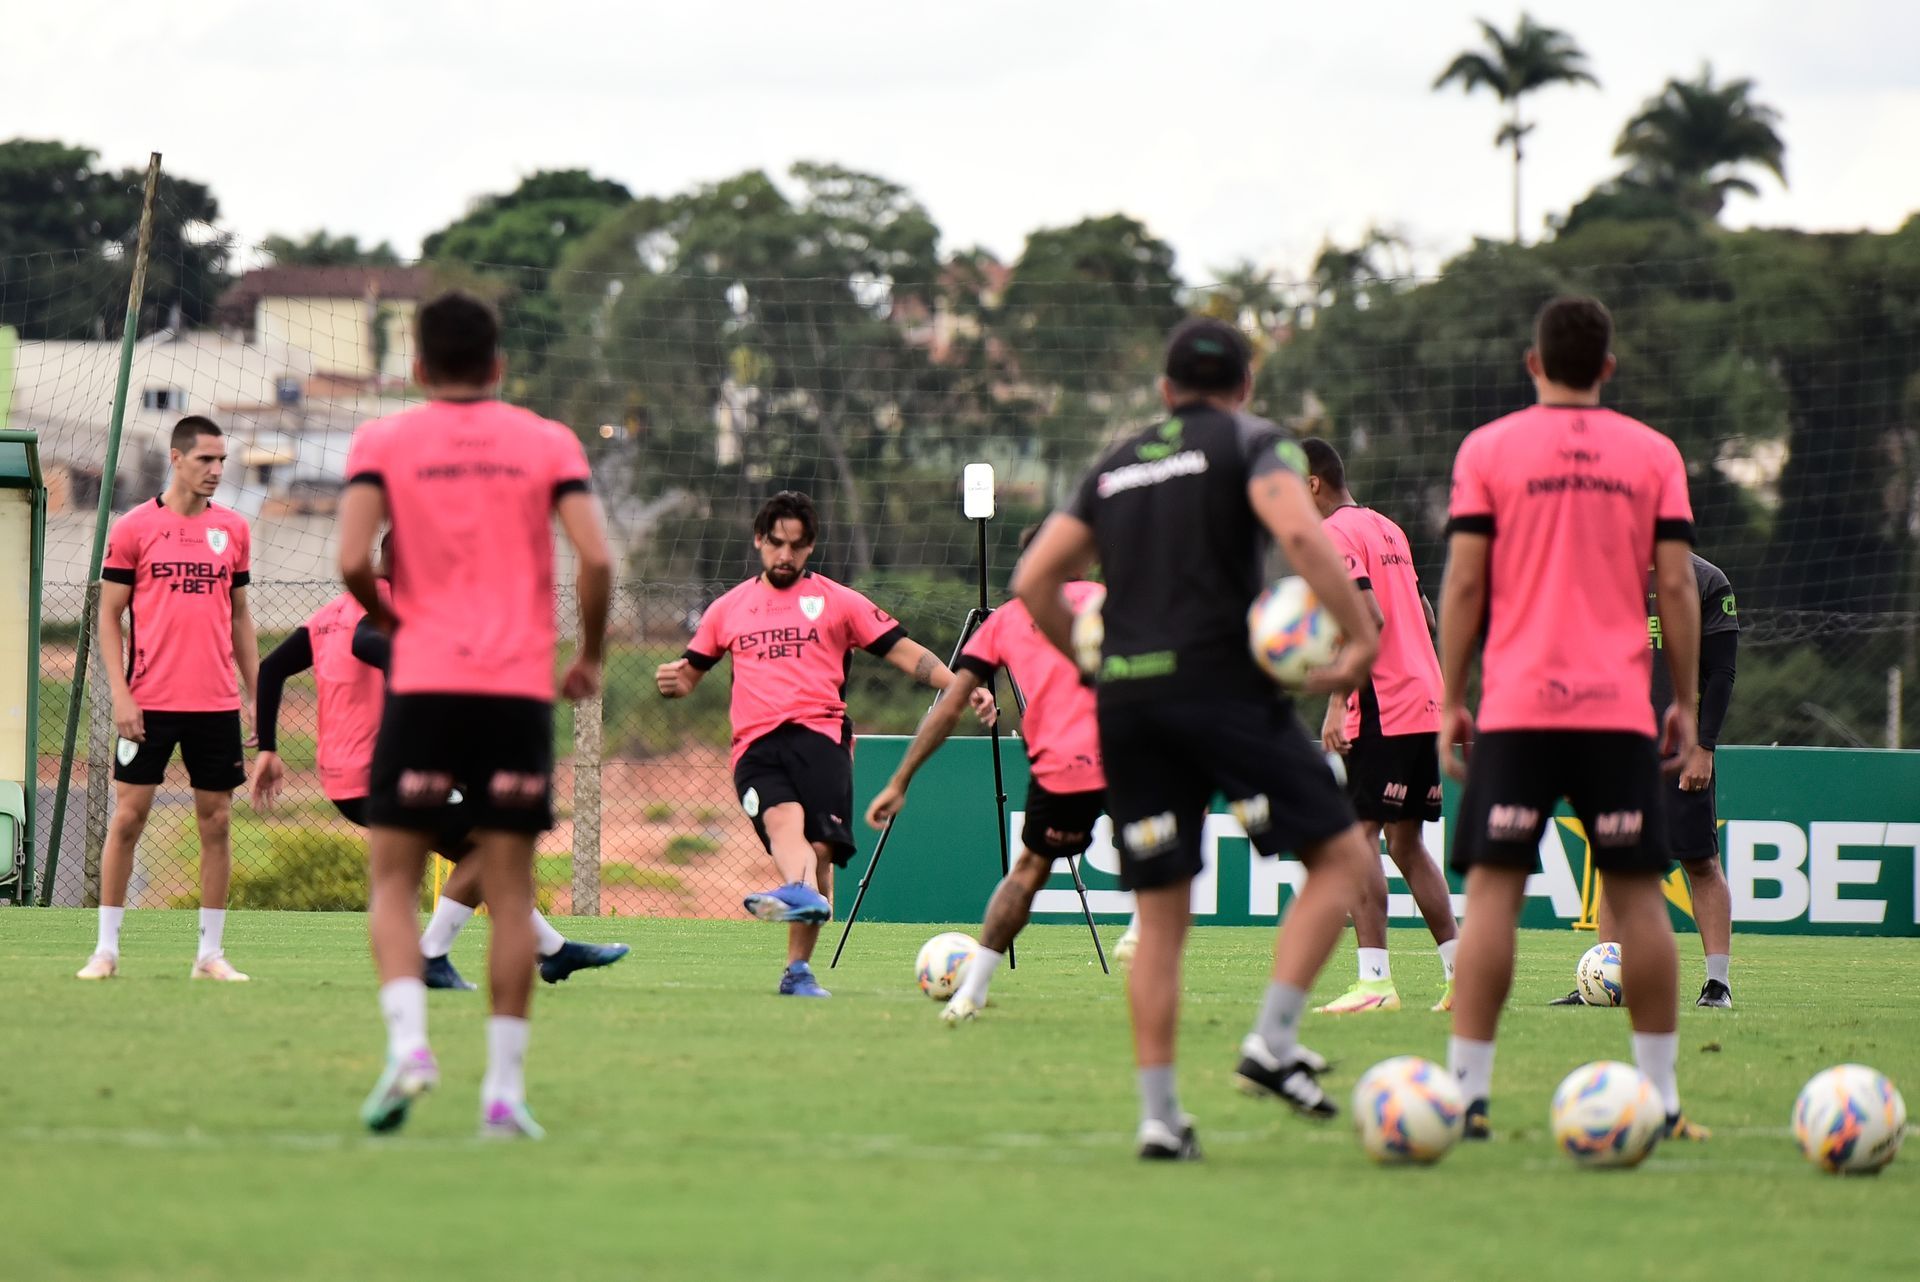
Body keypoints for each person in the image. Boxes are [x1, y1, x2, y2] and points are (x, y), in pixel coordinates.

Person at [1014, 317, 1380, 1161]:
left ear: (1166, 391)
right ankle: (1272, 1043)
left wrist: (1086, 664)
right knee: (1342, 858)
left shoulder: (1117, 463)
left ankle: (1159, 1117)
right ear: (1245, 385)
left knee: (1162, 915)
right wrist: (1357, 633)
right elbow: (1298, 533)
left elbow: (1034, 580)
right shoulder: (1257, 443)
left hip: (1131, 704)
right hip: (1224, 685)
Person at [337, 290, 613, 1139]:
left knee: (391, 876)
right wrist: (591, 655)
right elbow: (597, 557)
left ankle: (410, 1046)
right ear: (498, 366)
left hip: (424, 684)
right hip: (516, 689)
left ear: (417, 365)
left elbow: (352, 557)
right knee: (511, 884)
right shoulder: (547, 441)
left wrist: (390, 620)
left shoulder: (383, 440)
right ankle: (501, 1093)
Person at [1438, 295, 1708, 1143]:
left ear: (1533, 363)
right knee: (1639, 903)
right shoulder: (1653, 454)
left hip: (1517, 710)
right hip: (1618, 713)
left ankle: (1467, 1099)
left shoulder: (1489, 450)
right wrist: (1688, 706)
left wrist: (1451, 695)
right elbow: (1676, 586)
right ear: (1609, 369)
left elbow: (1467, 583)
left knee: (1492, 900)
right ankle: (1660, 1101)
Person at [655, 490, 993, 999]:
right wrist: (674, 682)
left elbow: (904, 652)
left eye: (795, 545)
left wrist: (961, 686)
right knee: (783, 823)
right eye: (775, 544)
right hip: (755, 745)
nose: (784, 555)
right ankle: (802, 900)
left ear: (810, 547)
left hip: (822, 738)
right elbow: (690, 676)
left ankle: (800, 944)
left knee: (820, 851)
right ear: (759, 541)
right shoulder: (728, 609)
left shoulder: (838, 601)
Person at [251, 583, 628, 991]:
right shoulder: (397, 605)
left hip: (345, 781)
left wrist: (269, 748)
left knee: (487, 860)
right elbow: (369, 642)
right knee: (495, 843)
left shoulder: (329, 615)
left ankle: (554, 951)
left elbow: (271, 668)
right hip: (387, 776)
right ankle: (431, 956)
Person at [864, 529, 1104, 1024]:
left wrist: (900, 780)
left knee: (1030, 871)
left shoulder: (1007, 621)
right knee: (1166, 847)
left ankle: (970, 992)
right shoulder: (1108, 600)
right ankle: (1143, 929)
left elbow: (950, 707)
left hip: (1063, 765)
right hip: (1130, 751)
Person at [78, 416, 258, 982]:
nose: (217, 470)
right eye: (207, 459)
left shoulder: (233, 530)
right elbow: (108, 615)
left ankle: (210, 955)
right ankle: (105, 950)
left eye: (222, 460)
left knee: (218, 821)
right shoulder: (134, 528)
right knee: (128, 819)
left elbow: (239, 617)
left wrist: (258, 696)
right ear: (177, 459)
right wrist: (121, 695)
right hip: (149, 704)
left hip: (215, 705)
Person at [1300, 437, 1460, 1014]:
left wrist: (1339, 698)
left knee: (1359, 837)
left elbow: (1366, 616)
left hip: (1382, 702)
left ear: (1313, 483)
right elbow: (1424, 614)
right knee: (1407, 841)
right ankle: (1459, 976)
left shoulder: (1333, 533)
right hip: (1423, 698)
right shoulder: (1388, 527)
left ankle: (1374, 983)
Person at [1550, 553, 1739, 1008]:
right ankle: (1607, 973)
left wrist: (1704, 747)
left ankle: (1718, 984)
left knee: (1700, 861)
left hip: (1678, 752)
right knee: (1614, 862)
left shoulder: (1706, 580)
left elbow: (1721, 673)